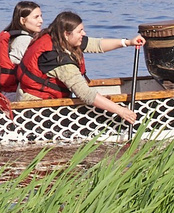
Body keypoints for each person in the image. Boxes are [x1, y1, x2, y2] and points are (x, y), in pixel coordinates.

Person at [13, 10, 144, 126]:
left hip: (29, 95)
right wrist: (121, 111)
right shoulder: (58, 60)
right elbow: (86, 95)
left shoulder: (55, 36)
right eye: (80, 31)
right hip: (36, 108)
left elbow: (96, 44)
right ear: (66, 34)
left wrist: (127, 42)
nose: (84, 33)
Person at [0, 0, 45, 94]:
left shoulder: (13, 37)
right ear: (22, 21)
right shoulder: (24, 40)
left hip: (9, 92)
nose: (41, 21)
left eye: (41, 16)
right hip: (16, 94)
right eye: (36, 17)